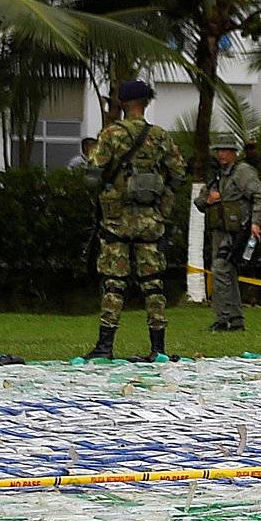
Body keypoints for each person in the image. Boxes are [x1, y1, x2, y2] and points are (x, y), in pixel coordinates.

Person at [83, 79, 186, 363]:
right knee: (153, 283)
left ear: (123, 103)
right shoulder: (160, 136)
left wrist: (106, 191)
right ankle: (159, 347)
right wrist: (162, 202)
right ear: (146, 102)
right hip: (150, 220)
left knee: (114, 282)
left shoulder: (112, 134)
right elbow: (178, 173)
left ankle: (105, 344)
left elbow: (93, 174)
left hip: (117, 220)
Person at [204, 133, 261, 334]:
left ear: (234, 153)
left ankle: (224, 318)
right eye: (219, 151)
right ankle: (234, 319)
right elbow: (201, 200)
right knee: (226, 273)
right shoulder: (218, 175)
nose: (221, 154)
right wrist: (208, 199)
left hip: (237, 232)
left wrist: (255, 224)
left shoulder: (243, 173)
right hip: (220, 232)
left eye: (225, 150)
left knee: (221, 269)